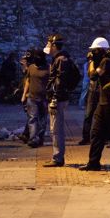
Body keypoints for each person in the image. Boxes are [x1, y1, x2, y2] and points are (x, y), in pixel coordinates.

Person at [79, 48, 110, 171]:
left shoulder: (106, 62)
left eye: (94, 52)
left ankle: (97, 162)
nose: (92, 54)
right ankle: (97, 162)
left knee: (103, 133)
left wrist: (91, 62)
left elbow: (93, 76)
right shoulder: (107, 62)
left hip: (108, 104)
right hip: (106, 103)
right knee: (107, 133)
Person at [43, 34, 75, 167]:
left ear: (54, 46)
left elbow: (59, 81)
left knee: (56, 129)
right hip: (59, 97)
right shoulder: (60, 59)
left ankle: (58, 158)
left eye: (49, 44)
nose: (48, 47)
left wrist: (54, 98)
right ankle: (57, 156)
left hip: (57, 98)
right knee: (55, 128)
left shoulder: (61, 59)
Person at [80, 37, 110, 145]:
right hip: (93, 90)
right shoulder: (94, 62)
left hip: (102, 92)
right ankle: (86, 137)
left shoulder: (106, 62)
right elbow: (90, 75)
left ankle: (105, 137)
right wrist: (92, 62)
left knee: (103, 115)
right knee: (88, 115)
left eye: (95, 50)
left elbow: (94, 75)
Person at [21, 49, 49, 148]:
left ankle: (40, 138)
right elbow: (28, 81)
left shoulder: (48, 68)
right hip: (32, 97)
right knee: (32, 118)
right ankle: (33, 139)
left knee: (42, 120)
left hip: (44, 98)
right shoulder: (31, 68)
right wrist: (24, 94)